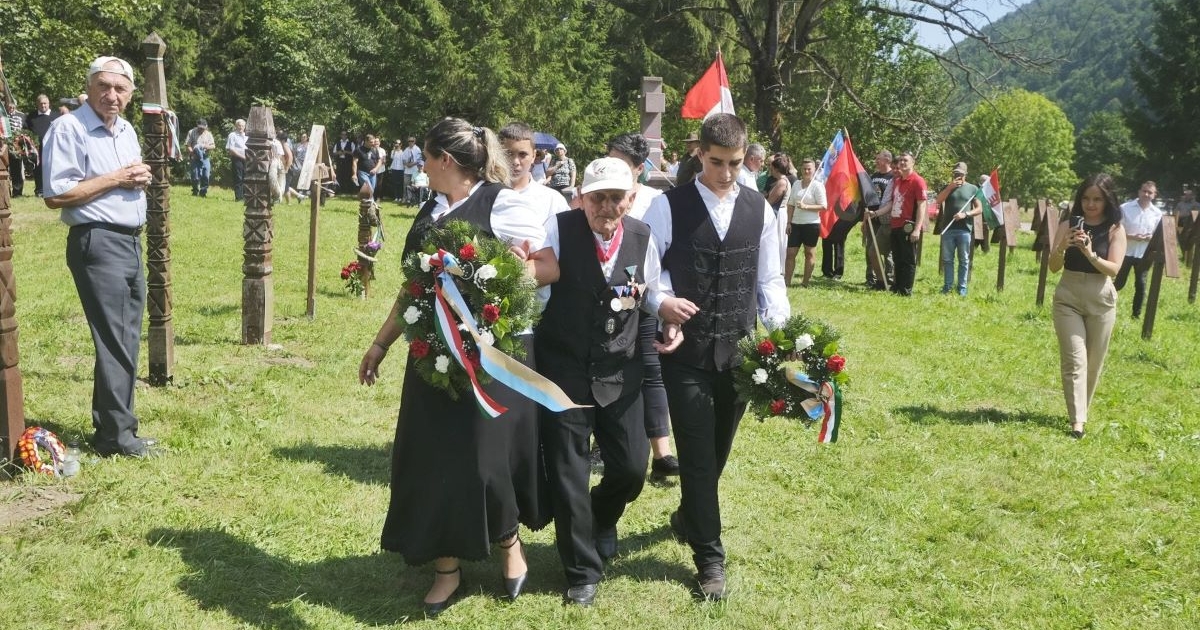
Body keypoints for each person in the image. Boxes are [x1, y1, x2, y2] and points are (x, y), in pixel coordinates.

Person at [358, 117, 559, 617]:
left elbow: (549, 266)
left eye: (426, 158)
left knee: (483, 460)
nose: (421, 166)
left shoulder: (503, 202)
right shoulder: (429, 210)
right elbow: (413, 286)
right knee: (431, 459)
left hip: (488, 357)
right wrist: (381, 344)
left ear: (446, 161)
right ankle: (445, 568)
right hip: (431, 355)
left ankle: (509, 544)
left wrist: (498, 280)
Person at [641, 113, 789, 602]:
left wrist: (786, 337)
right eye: (716, 162)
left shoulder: (759, 209)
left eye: (734, 162)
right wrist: (662, 301)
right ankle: (710, 558)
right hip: (685, 353)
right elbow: (646, 270)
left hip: (740, 353)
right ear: (699, 154)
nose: (725, 172)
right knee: (699, 460)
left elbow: (769, 279)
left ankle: (688, 516)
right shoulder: (668, 206)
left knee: (716, 453)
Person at [537, 157, 682, 607]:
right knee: (568, 474)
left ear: (631, 199)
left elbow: (650, 289)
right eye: (597, 197)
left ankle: (601, 517)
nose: (605, 206)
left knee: (631, 469)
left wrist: (667, 312)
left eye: (615, 197)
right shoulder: (558, 229)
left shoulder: (642, 236)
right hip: (564, 373)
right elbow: (537, 287)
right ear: (580, 198)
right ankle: (581, 571)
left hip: (621, 372)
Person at [42, 56, 158, 458]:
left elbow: (125, 177)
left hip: (128, 241)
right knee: (114, 339)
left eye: (120, 89)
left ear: (129, 94)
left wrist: (138, 178)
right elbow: (56, 194)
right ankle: (118, 436)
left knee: (124, 337)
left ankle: (113, 431)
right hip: (97, 241)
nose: (112, 95)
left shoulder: (124, 129)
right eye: (104, 87)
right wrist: (120, 178)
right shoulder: (69, 128)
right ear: (89, 88)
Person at [605, 132, 680, 481]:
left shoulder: (655, 202)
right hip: (599, 302)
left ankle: (662, 453)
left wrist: (640, 300)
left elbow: (658, 262)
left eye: (621, 164)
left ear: (639, 168)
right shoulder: (593, 191)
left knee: (651, 369)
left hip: (640, 297)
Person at [1047, 174, 1127, 439]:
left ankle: (1082, 411)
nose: (1091, 204)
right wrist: (1062, 246)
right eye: (1086, 198)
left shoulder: (1115, 228)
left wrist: (1091, 253)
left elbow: (1114, 270)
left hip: (1100, 298)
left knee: (1093, 363)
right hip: (1068, 296)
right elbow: (1053, 266)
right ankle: (1077, 422)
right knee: (1074, 359)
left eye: (1097, 199)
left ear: (1107, 200)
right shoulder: (1068, 224)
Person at [1112, 181, 1162, 318]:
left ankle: (1136, 315)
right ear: (1139, 191)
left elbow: (1158, 234)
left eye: (1150, 192)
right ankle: (1104, 305)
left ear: (1154, 195)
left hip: (1144, 254)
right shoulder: (1125, 208)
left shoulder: (1157, 213)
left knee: (1141, 285)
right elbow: (1115, 229)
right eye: (1144, 191)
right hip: (1125, 251)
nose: (1146, 194)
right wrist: (1130, 236)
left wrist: (1150, 238)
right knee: (1119, 283)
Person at [933, 162, 983, 296]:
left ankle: (962, 288)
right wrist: (949, 188)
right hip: (948, 229)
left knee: (964, 260)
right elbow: (938, 200)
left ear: (965, 175)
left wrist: (965, 214)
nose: (958, 176)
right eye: (955, 174)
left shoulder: (972, 189)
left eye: (960, 174)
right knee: (947, 260)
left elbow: (979, 209)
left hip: (964, 229)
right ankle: (947, 286)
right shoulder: (948, 187)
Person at [888, 151, 927, 296]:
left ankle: (906, 290)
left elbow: (922, 206)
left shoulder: (918, 181)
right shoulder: (897, 181)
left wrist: (917, 229)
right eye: (901, 161)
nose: (902, 163)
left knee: (908, 259)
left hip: (908, 226)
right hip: (895, 224)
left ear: (913, 163)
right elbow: (893, 203)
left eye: (906, 160)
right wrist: (876, 213)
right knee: (897, 258)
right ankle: (897, 287)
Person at [784, 158, 827, 286]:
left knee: (809, 253)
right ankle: (787, 281)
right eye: (804, 169)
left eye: (809, 169)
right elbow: (791, 204)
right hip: (796, 224)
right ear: (801, 169)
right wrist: (788, 222)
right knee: (790, 253)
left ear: (814, 170)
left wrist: (806, 207)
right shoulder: (796, 184)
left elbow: (824, 206)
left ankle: (805, 282)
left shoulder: (818, 186)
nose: (807, 171)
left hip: (811, 224)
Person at [863, 150, 895, 290]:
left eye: (879, 159)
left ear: (887, 160)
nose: (876, 161)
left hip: (886, 218)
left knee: (887, 251)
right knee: (871, 248)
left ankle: (889, 277)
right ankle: (872, 277)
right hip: (872, 217)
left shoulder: (893, 176)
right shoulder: (873, 176)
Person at [764, 153, 794, 268]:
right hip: (778, 211)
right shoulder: (781, 181)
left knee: (777, 240)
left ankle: (778, 267)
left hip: (779, 213)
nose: (770, 170)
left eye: (772, 168)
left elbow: (771, 201)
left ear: (776, 169)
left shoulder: (782, 182)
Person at [24, 94, 56, 197]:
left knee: (52, 169)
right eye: (41, 103)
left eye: (45, 103)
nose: (43, 105)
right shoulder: (31, 117)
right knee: (38, 169)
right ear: (37, 104)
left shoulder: (56, 116)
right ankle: (39, 190)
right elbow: (25, 130)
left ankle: (52, 190)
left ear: (49, 103)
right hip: (36, 149)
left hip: (52, 148)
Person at [185, 118, 216, 197]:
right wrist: (192, 154)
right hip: (194, 156)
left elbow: (213, 146)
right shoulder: (191, 132)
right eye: (200, 127)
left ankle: (203, 192)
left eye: (203, 128)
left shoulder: (208, 134)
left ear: (206, 127)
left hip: (205, 157)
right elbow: (188, 145)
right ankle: (195, 191)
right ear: (197, 126)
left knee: (206, 175)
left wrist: (205, 146)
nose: (201, 129)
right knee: (195, 175)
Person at [225, 118, 248, 201]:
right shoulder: (232, 135)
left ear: (245, 127)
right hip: (237, 159)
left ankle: (246, 196)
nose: (241, 127)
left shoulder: (246, 136)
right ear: (236, 126)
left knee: (246, 177)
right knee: (238, 177)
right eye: (239, 125)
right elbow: (231, 149)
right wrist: (242, 157)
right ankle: (239, 197)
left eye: (242, 126)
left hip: (247, 159)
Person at [1176, 189, 1200, 265]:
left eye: (1188, 195)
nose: (1186, 196)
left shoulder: (1196, 204)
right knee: (1181, 239)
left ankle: (1190, 258)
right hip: (1180, 222)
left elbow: (1196, 215)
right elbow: (1176, 212)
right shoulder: (1180, 204)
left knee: (1189, 240)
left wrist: (1186, 215)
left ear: (1192, 196)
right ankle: (1184, 256)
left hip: (1190, 224)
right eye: (1185, 195)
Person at [400, 136, 422, 203]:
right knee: (406, 185)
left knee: (414, 186)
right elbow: (403, 160)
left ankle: (413, 199)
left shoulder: (418, 149)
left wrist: (411, 164)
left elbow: (419, 160)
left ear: (414, 141)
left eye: (412, 141)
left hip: (415, 171)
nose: (410, 142)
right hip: (407, 171)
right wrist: (407, 164)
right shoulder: (406, 149)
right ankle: (405, 198)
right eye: (409, 141)